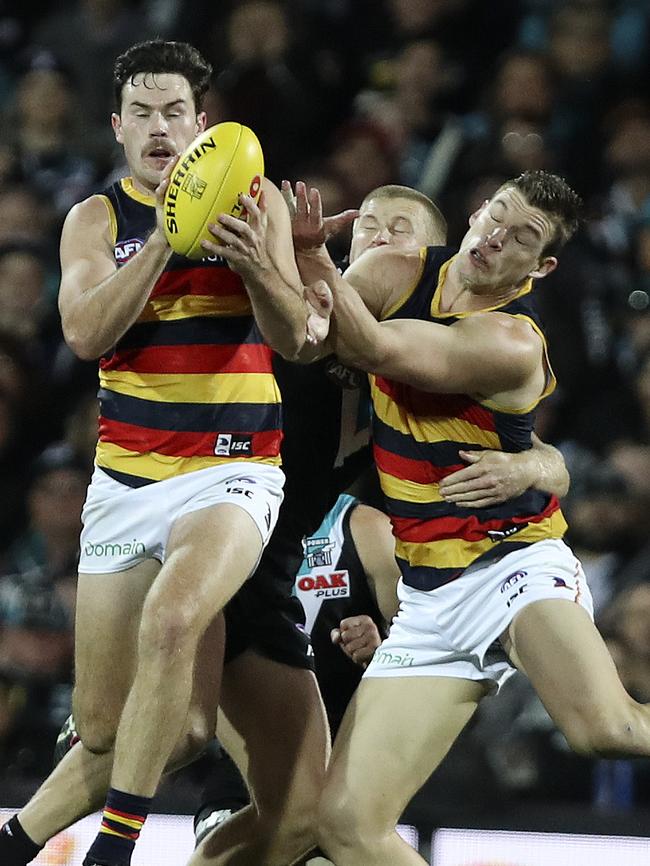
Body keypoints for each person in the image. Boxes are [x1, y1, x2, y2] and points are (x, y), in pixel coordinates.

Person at [212, 169, 650, 866]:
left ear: (542, 267)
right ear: (477, 210)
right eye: (497, 215)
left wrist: (316, 261)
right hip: (427, 596)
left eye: (523, 237)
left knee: (604, 728)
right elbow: (311, 339)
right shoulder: (395, 269)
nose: (497, 236)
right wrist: (273, 265)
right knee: (346, 824)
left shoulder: (511, 342)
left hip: (510, 565)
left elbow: (377, 349)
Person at [0, 38, 314, 866]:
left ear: (200, 123)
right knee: (113, 730)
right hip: (126, 477)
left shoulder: (256, 204)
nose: (159, 126)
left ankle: (115, 848)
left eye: (175, 110)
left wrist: (258, 266)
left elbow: (294, 338)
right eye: (141, 112)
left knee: (175, 617)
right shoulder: (95, 220)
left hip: (234, 465)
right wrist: (171, 241)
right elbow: (81, 331)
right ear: (116, 127)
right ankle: (15, 840)